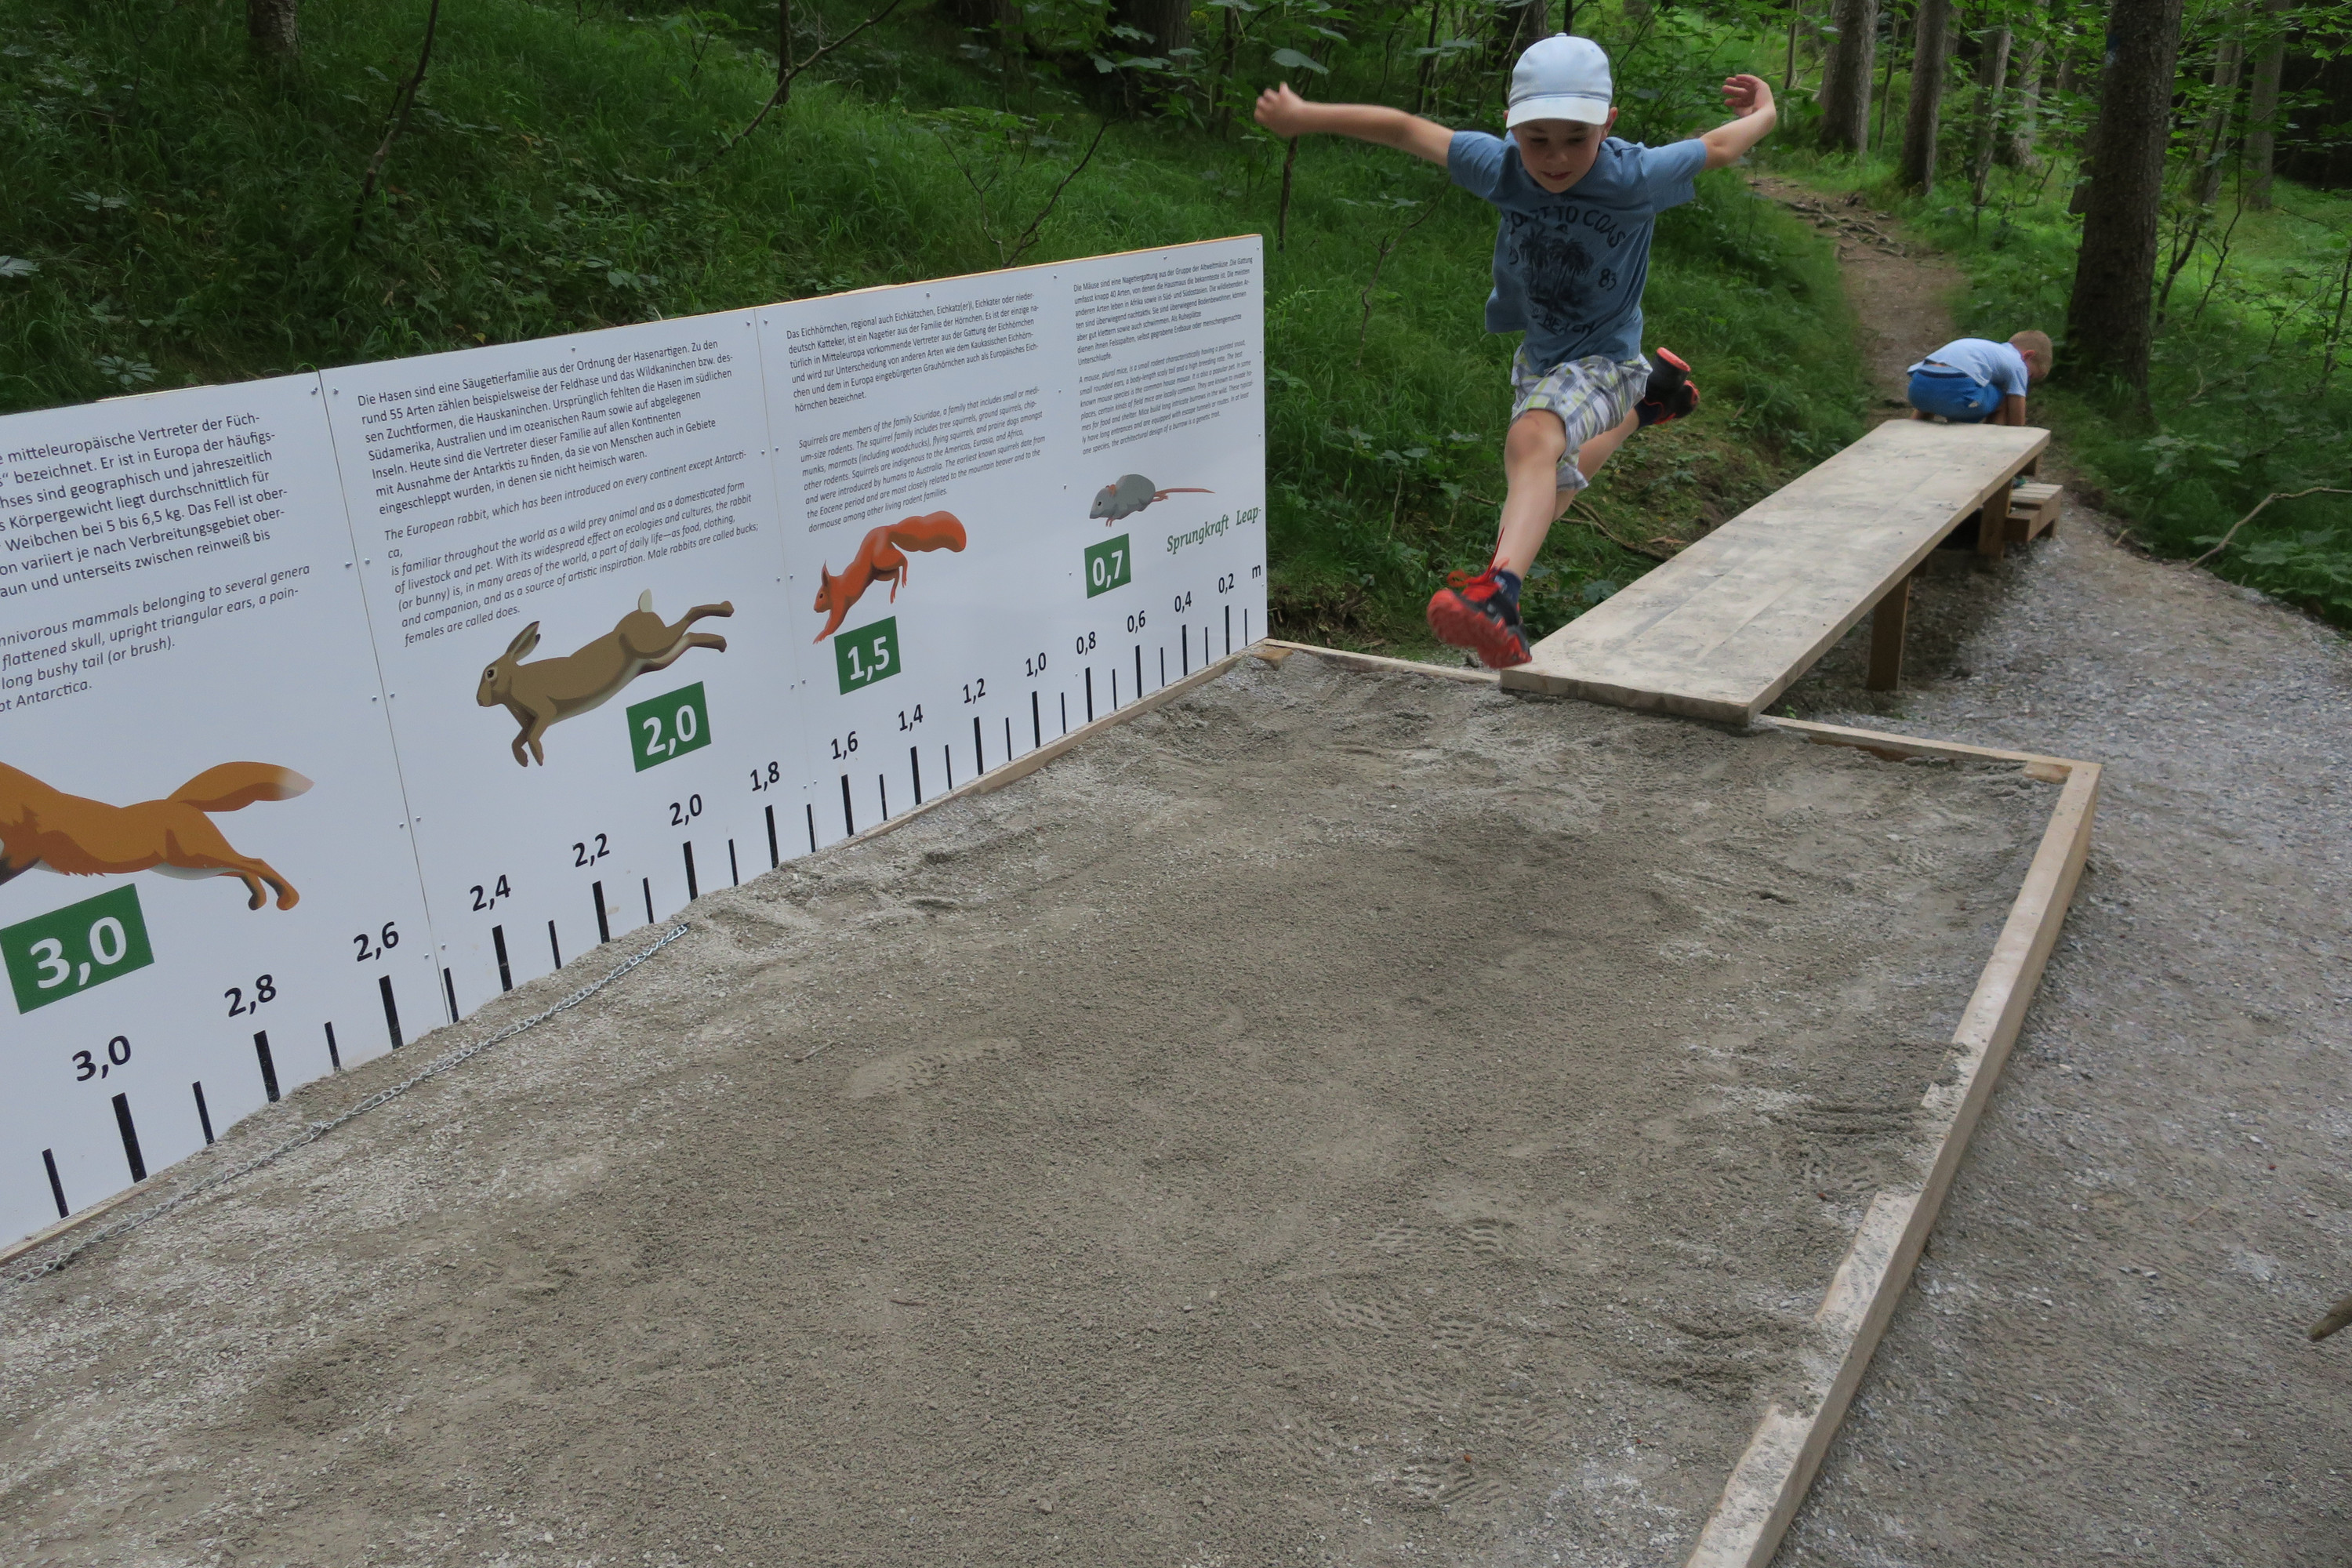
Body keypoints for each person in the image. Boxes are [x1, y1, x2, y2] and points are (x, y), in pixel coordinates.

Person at [1254, 36, 1778, 668]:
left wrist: (1766, 111)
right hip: (1542, 357)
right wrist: (1304, 116)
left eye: (1576, 139)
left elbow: (1719, 146)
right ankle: (1649, 406)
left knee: (1531, 441)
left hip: (1607, 358)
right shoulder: (1501, 167)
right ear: (1511, 127)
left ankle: (1499, 595)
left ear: (1607, 124)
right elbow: (1404, 128)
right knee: (1547, 485)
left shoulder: (1634, 177)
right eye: (1537, 140)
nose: (1555, 158)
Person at [1905, 332, 2053, 426]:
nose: (2026, 381)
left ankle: (1912, 431)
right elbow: (2017, 418)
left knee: (1937, 385)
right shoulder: (2018, 364)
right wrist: (2020, 439)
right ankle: (1989, 446)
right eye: (2030, 376)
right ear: (2028, 355)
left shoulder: (1987, 350)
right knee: (2004, 401)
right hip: (1957, 391)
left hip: (1918, 390)